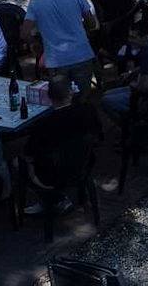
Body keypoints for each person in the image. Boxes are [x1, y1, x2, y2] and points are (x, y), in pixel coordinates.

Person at [22, 74, 100, 216]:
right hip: (84, 163)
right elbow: (98, 134)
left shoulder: (44, 124)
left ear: (49, 96)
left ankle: (51, 199)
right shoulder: (88, 110)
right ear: (71, 92)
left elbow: (29, 152)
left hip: (54, 174)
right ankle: (58, 199)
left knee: (17, 163)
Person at [22, 0, 99, 96]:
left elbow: (25, 32)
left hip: (57, 60)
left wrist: (36, 44)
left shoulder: (35, 2)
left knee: (62, 100)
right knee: (84, 99)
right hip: (82, 55)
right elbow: (92, 23)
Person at [100, 18, 148, 124]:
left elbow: (143, 87)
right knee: (107, 94)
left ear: (145, 37)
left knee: (105, 100)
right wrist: (132, 73)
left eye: (133, 37)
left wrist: (132, 83)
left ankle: (130, 126)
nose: (130, 40)